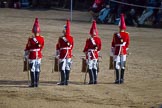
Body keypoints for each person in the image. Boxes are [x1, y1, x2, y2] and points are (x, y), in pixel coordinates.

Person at [24, 18, 44, 87]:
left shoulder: (30, 39)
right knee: (37, 69)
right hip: (38, 55)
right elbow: (41, 47)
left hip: (32, 55)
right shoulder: (42, 38)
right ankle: (36, 83)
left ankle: (33, 83)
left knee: (32, 69)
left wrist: (26, 54)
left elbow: (28, 47)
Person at [111, 14, 130, 84]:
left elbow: (113, 44)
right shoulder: (127, 34)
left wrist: (112, 51)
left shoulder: (116, 34)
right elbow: (127, 43)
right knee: (123, 65)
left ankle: (117, 79)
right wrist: (125, 49)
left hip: (117, 51)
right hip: (124, 51)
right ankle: (122, 79)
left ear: (119, 27)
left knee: (116, 65)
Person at [55, 20, 74, 85]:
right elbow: (72, 46)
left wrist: (57, 53)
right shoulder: (71, 38)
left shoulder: (61, 38)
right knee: (67, 67)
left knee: (62, 67)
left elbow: (58, 46)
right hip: (69, 53)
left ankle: (63, 81)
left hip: (63, 53)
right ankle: (66, 81)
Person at [83, 20, 102, 84]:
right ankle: (95, 80)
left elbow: (86, 48)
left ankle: (91, 80)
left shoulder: (89, 39)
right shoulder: (99, 39)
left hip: (90, 54)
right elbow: (99, 48)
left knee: (90, 66)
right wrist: (97, 52)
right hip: (95, 54)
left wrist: (85, 52)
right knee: (95, 66)